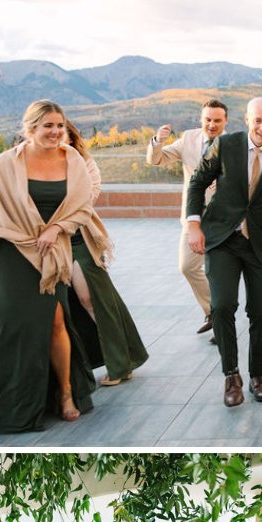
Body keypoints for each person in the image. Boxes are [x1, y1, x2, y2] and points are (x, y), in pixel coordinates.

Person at [0, 98, 103, 432]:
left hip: (51, 252)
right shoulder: (6, 164)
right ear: (30, 128)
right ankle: (0, 401)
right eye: (47, 126)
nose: (55, 132)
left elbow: (81, 206)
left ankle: (64, 393)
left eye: (60, 125)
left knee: (55, 322)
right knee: (3, 324)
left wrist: (56, 228)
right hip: (8, 254)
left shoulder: (72, 159)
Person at [185, 96, 262, 407]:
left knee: (260, 312)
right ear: (247, 120)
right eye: (258, 120)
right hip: (222, 239)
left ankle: (257, 376)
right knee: (223, 306)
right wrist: (193, 224)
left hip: (261, 243)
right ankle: (232, 377)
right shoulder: (225, 145)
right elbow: (198, 182)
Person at [64, 119, 148, 386]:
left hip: (79, 238)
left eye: (61, 130)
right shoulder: (35, 163)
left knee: (91, 299)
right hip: (49, 244)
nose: (56, 135)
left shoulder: (84, 162)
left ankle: (121, 362)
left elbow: (88, 197)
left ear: (70, 135)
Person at [146, 99, 229, 334]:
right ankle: (213, 312)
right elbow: (156, 160)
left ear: (226, 121)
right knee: (187, 266)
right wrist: (158, 141)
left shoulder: (234, 143)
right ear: (201, 120)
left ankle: (223, 320)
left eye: (217, 120)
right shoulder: (189, 139)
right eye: (208, 120)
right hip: (193, 216)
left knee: (220, 271)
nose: (212, 125)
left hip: (223, 217)